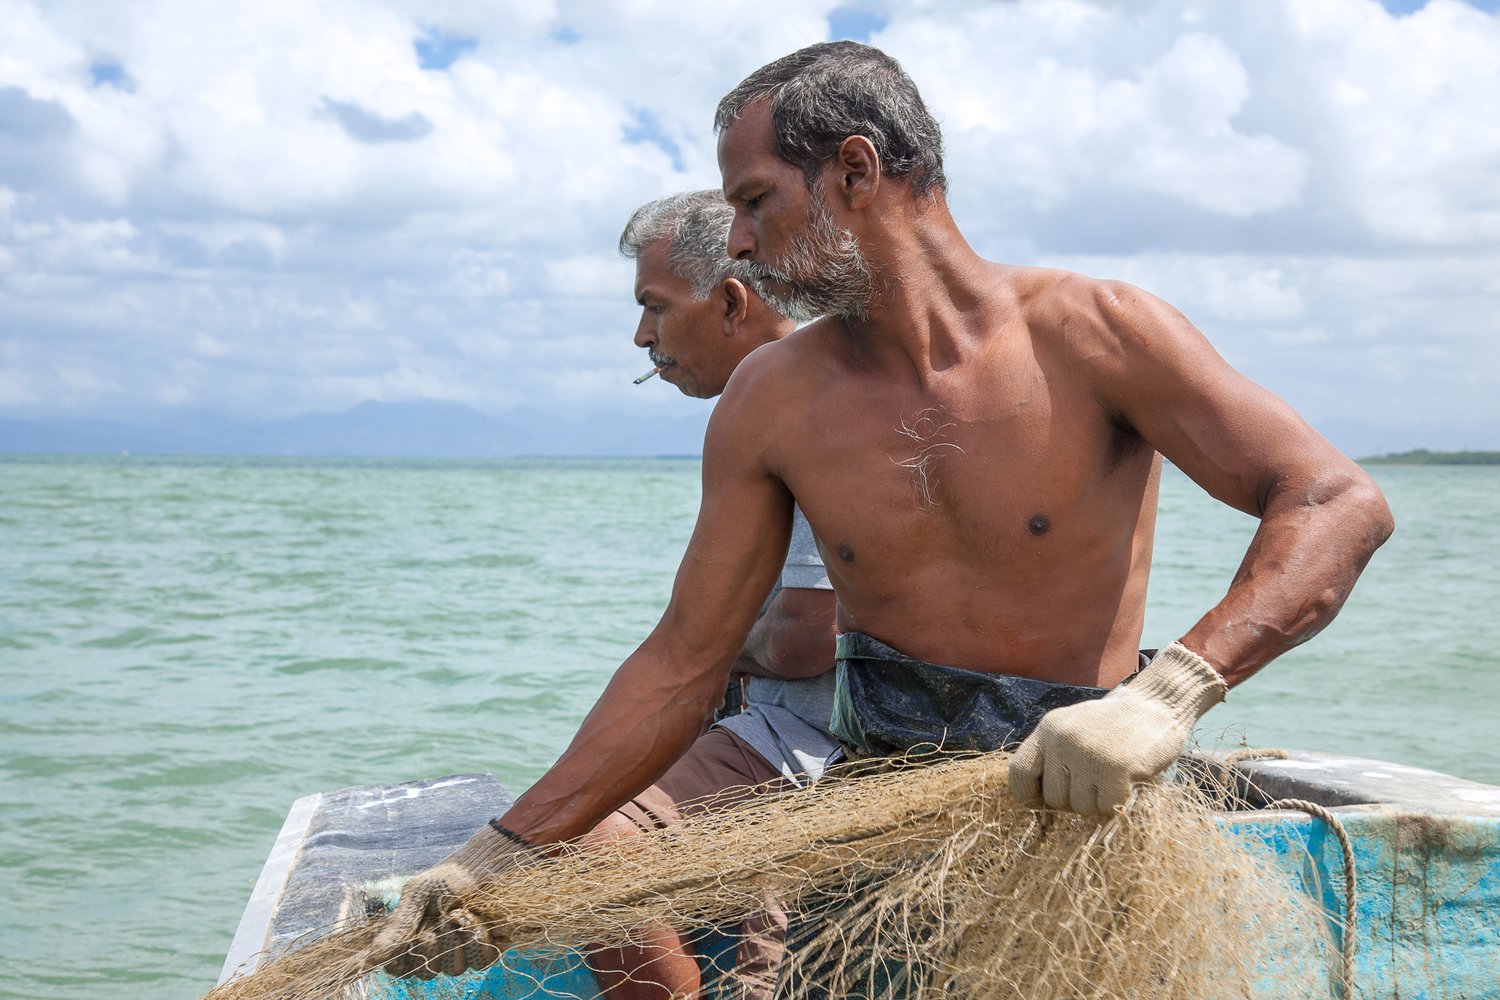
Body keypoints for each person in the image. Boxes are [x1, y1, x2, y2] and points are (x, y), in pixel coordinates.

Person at [377, 40, 1394, 985]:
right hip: (868, 844)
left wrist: (1162, 698)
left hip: (1072, 831)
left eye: (755, 199)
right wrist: (493, 858)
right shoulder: (770, 398)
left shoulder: (1092, 333)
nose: (737, 239)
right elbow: (684, 660)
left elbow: (1334, 500)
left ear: (855, 173)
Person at [588, 190, 840, 998]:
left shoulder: (810, 405)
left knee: (581, 849)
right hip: (783, 726)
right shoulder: (786, 396)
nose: (641, 337)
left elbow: (804, 636)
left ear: (732, 301)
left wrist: (704, 645)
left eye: (654, 307)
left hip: (814, 741)